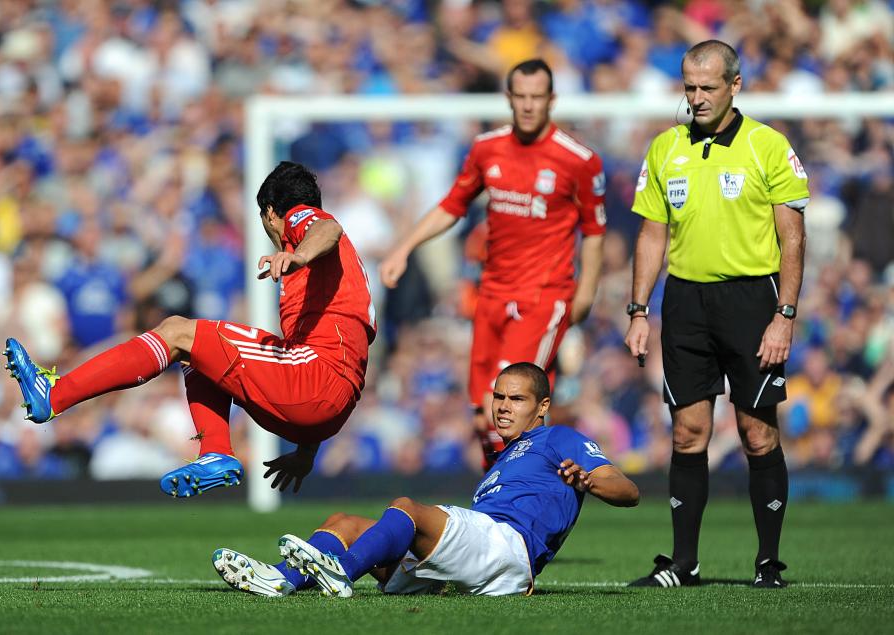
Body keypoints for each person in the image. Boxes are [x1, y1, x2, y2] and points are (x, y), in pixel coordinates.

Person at [4, 161, 377, 498]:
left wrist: (297, 254)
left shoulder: (302, 220)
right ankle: (215, 451)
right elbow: (341, 362)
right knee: (199, 354)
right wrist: (308, 446)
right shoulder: (340, 277)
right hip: (325, 407)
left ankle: (54, 394)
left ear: (270, 214)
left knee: (178, 331)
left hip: (311, 379)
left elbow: (328, 228)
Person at [624, 41, 809, 589]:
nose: (697, 97)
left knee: (757, 434)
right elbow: (652, 233)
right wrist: (638, 310)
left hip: (753, 301)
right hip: (685, 303)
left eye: (708, 87)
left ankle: (768, 563)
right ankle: (684, 564)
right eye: (689, 87)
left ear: (735, 85)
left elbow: (793, 236)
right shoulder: (664, 148)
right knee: (687, 432)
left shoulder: (767, 146)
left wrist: (785, 315)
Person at [210, 362, 638, 597]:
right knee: (343, 522)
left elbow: (628, 491)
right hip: (475, 557)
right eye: (499, 397)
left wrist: (588, 480)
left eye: (517, 399)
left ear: (542, 406)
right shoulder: (503, 458)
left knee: (406, 509)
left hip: (509, 550)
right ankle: (281, 580)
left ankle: (339, 574)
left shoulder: (558, 437)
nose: (503, 407)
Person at [380, 58, 607, 469]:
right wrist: (403, 247)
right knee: (482, 416)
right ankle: (503, 500)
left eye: (537, 97)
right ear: (508, 98)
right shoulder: (488, 149)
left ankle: (523, 502)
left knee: (508, 404)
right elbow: (453, 205)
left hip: (543, 298)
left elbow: (594, 231)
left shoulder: (578, 160)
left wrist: (586, 293)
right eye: (520, 96)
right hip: (492, 296)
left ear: (551, 100)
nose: (528, 106)